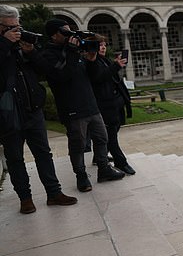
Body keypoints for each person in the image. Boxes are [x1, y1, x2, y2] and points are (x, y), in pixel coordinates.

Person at [0, 5, 77, 213]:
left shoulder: (21, 46)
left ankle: (54, 193)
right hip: (8, 115)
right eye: (9, 28)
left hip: (33, 110)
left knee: (44, 153)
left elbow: (46, 70)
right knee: (15, 158)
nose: (16, 31)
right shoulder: (5, 45)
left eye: (17, 26)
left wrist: (31, 52)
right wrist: (5, 44)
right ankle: (25, 199)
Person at [37, 19, 124, 192]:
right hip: (72, 109)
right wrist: (71, 51)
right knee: (78, 145)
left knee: (102, 138)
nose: (70, 35)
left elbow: (92, 77)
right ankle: (81, 176)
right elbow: (62, 76)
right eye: (65, 32)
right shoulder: (49, 54)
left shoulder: (76, 52)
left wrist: (91, 60)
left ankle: (104, 169)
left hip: (91, 104)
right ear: (54, 34)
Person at [87, 35, 135, 175]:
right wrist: (115, 66)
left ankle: (98, 156)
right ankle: (121, 163)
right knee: (111, 137)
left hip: (114, 104)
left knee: (113, 130)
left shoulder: (104, 60)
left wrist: (115, 65)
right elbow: (99, 78)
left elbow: (111, 78)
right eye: (100, 45)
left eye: (104, 45)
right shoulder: (92, 62)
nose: (103, 47)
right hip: (105, 106)